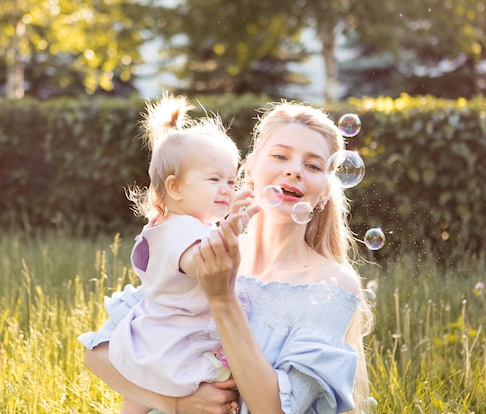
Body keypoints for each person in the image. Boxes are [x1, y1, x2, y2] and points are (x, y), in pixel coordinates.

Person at [84, 100, 374, 414]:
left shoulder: (331, 285)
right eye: (279, 156)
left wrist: (222, 299)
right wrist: (178, 403)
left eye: (314, 166)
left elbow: (273, 409)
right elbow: (99, 353)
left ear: (324, 193)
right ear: (249, 170)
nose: (294, 171)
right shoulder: (204, 248)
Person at [79, 92, 257, 414]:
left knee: (139, 395)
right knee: (226, 387)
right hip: (179, 348)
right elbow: (201, 263)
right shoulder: (184, 229)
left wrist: (231, 225)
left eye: (231, 180)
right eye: (214, 179)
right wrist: (231, 230)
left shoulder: (165, 225)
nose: (227, 189)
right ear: (175, 188)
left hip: (153, 339)